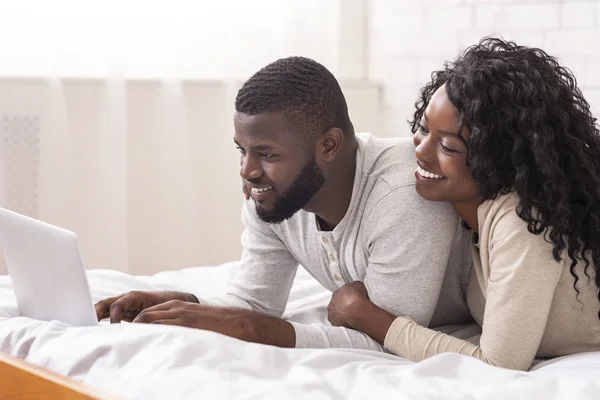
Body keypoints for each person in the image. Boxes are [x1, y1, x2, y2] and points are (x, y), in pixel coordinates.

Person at [95, 56, 473, 351]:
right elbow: (254, 301)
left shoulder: (403, 191)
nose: (248, 171)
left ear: (328, 145)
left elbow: (387, 338)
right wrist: (183, 302)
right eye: (242, 151)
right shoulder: (274, 199)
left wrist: (254, 329)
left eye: (266, 154)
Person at [326, 37, 600, 369]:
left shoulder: (523, 223)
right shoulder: (462, 211)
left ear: (500, 160)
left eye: (449, 147)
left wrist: (367, 317)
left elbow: (500, 364)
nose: (421, 152)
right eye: (424, 129)